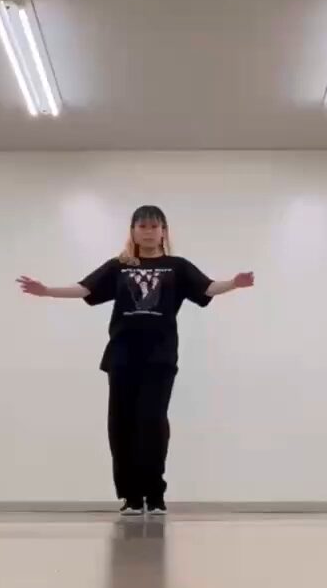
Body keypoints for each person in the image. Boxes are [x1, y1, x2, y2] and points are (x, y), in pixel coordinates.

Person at [17, 205, 254, 515]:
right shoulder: (119, 265)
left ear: (163, 231)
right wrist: (47, 290)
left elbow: (207, 287)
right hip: (122, 356)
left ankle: (154, 494)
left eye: (154, 226)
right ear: (133, 231)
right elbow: (85, 288)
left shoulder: (177, 266)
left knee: (152, 422)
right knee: (122, 424)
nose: (148, 231)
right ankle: (131, 496)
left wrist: (233, 283)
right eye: (142, 226)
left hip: (160, 357)